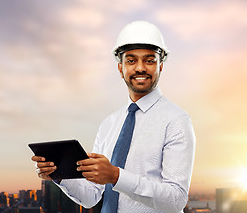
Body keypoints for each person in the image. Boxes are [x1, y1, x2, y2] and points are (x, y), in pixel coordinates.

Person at [31, 21, 195, 213]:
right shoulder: (109, 124)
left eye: (149, 60)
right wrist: (58, 175)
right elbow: (92, 196)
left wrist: (117, 176)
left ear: (160, 66)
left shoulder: (176, 121)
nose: (140, 68)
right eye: (131, 60)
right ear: (120, 68)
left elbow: (176, 199)